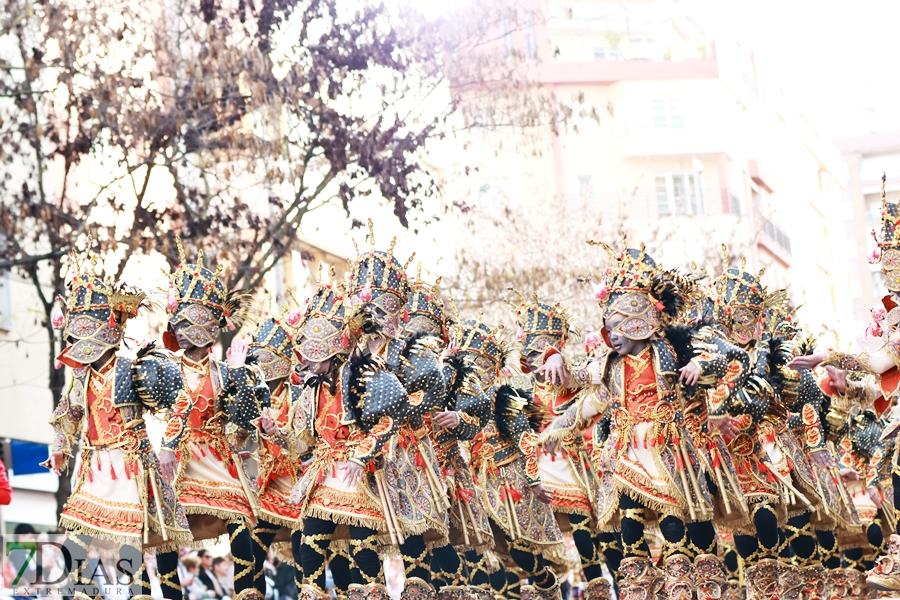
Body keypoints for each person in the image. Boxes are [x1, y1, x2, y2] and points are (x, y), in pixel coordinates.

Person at [538, 242, 751, 600]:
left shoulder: (673, 351)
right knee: (630, 531)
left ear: (640, 322)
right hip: (627, 454)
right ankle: (640, 591)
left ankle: (693, 587)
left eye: (618, 327)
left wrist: (701, 366)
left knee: (680, 530)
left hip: (670, 452)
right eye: (608, 329)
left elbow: (734, 359)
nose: (612, 336)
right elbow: (585, 392)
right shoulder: (611, 366)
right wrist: (555, 361)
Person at [41, 249, 192, 599]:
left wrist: (169, 446)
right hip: (94, 471)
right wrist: (60, 449)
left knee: (132, 552)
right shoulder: (82, 377)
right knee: (75, 546)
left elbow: (181, 400)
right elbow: (69, 414)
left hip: (130, 469)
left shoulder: (134, 367)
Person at [154, 240, 269, 600]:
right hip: (177, 459)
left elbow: (246, 419)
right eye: (183, 323)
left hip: (218, 458)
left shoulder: (225, 373)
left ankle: (248, 593)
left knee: (243, 529)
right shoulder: (165, 368)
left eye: (197, 323)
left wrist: (258, 417)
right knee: (167, 532)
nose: (189, 331)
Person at [457, 315, 566, 600]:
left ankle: (547, 584)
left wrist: (533, 480)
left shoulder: (503, 396)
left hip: (508, 478)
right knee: (475, 548)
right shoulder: (456, 400)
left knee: (520, 550)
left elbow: (526, 438)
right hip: (473, 481)